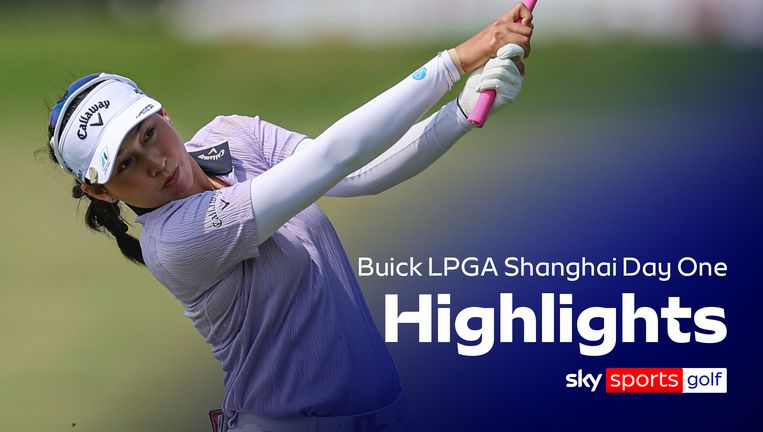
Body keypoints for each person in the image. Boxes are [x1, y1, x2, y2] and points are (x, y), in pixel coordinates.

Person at [45, 3, 533, 431]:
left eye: (148, 134)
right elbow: (329, 160)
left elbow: (359, 172)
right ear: (99, 191)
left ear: (165, 115)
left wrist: (460, 113)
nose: (154, 163)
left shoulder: (234, 135)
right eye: (124, 164)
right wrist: (455, 61)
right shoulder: (172, 242)